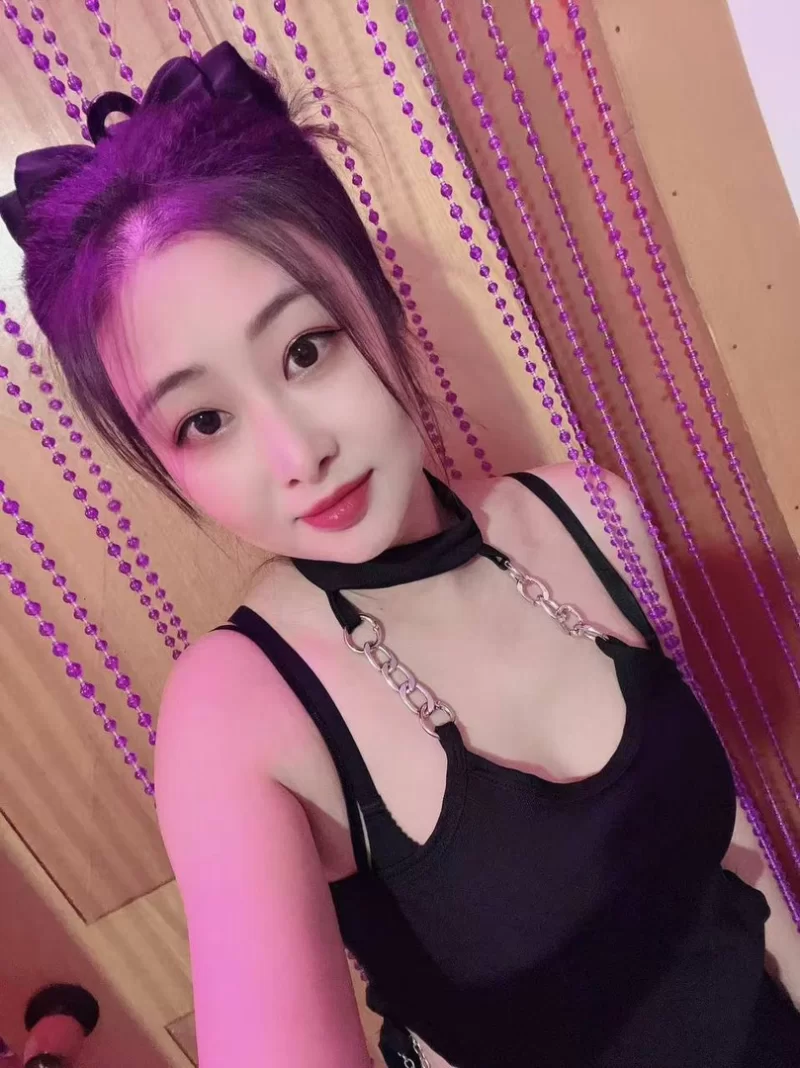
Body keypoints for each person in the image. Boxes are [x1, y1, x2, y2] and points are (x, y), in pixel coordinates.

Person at [2, 42, 799, 1068]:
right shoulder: (236, 715)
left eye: (306, 350)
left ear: (376, 302)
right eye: (204, 422)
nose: (297, 455)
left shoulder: (590, 519)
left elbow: (722, 867)